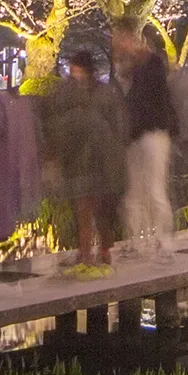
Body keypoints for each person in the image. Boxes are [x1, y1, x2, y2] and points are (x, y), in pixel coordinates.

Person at [39, 49, 123, 265]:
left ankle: (99, 250)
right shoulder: (77, 92)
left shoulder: (87, 93)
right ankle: (87, 251)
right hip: (81, 158)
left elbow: (116, 125)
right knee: (84, 208)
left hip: (95, 157)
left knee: (96, 208)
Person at [115, 27, 178, 257]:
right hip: (135, 135)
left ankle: (163, 240)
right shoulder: (126, 71)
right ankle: (136, 240)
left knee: (153, 188)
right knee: (134, 192)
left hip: (152, 133)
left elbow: (150, 98)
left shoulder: (151, 65)